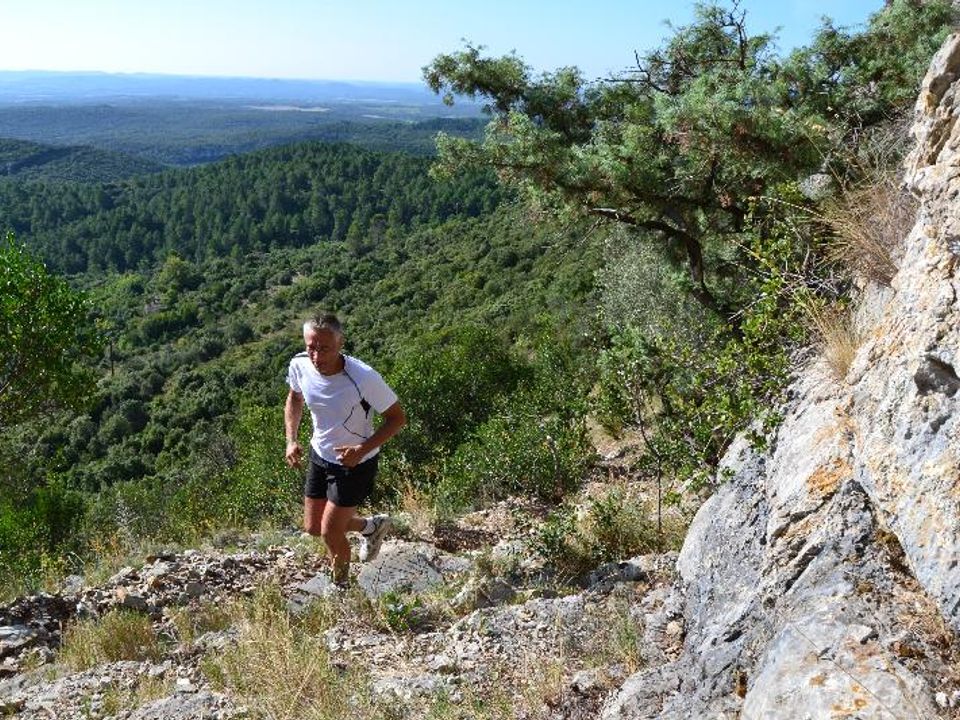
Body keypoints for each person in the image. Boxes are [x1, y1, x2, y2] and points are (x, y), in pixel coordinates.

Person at [284, 312, 406, 585]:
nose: (316, 355)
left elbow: (397, 418)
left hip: (355, 465)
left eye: (324, 348)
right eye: (311, 347)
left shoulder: (363, 378)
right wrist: (291, 439)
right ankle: (371, 527)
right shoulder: (299, 365)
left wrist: (361, 450)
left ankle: (341, 587)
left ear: (341, 343)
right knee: (313, 527)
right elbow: (294, 398)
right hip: (320, 455)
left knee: (330, 534)